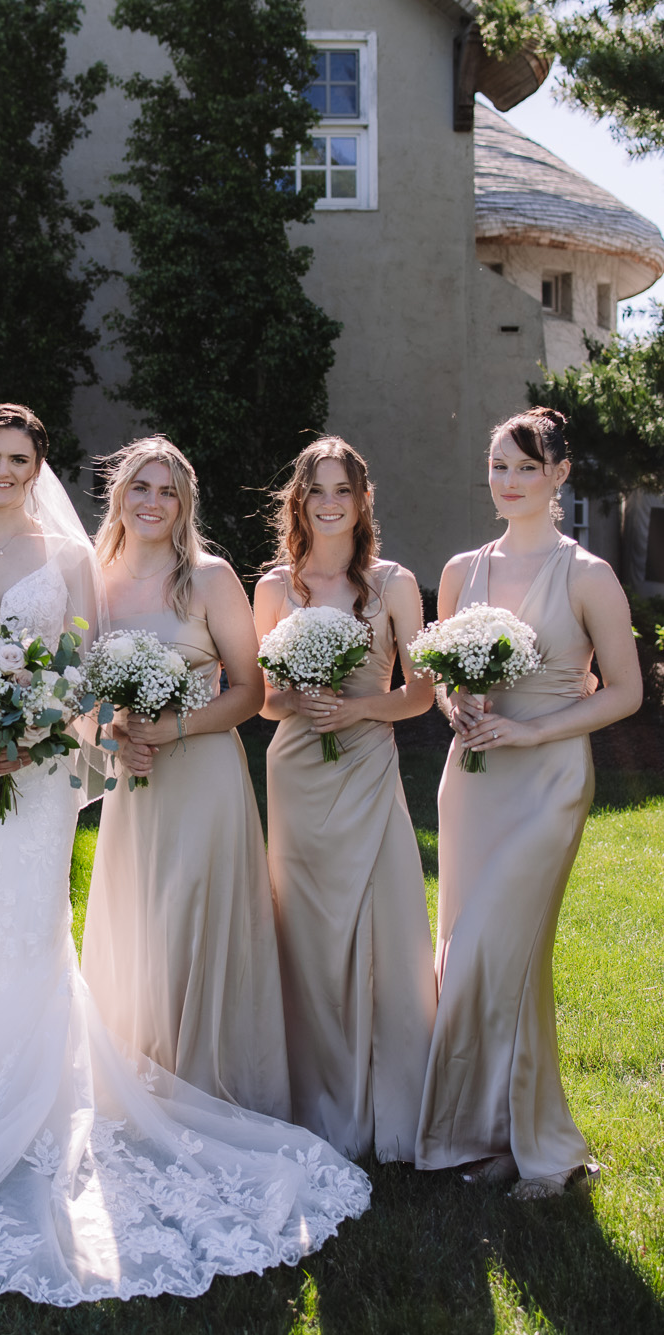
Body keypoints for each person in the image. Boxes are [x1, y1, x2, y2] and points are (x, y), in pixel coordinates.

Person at [0, 403, 371, 1306]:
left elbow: (78, 672)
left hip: (32, 775)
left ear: (37, 468)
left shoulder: (69, 560)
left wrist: (33, 732)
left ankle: (39, 1107)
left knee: (30, 930)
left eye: (18, 458)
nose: (2, 470)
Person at [415, 409, 641, 1198]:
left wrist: (531, 729)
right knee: (474, 960)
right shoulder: (458, 570)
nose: (507, 482)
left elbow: (625, 693)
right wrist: (459, 707)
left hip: (547, 783)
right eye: (497, 467)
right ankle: (492, 1137)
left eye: (524, 467)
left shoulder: (586, 575)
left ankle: (549, 1148)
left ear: (557, 475)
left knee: (497, 952)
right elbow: (443, 675)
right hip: (472, 779)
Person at [81, 436, 289, 1115]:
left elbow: (250, 691)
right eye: (140, 486)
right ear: (118, 493)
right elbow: (80, 693)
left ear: (185, 503)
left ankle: (202, 1084)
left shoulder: (207, 577)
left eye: (167, 490)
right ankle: (138, 1085)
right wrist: (116, 734)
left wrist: (171, 728)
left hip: (201, 775)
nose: (152, 502)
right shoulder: (90, 579)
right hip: (135, 786)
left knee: (189, 927)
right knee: (140, 927)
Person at [254, 438, 437, 1164]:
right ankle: (314, 1096)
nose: (328, 503)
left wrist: (358, 711)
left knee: (381, 921)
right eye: (315, 490)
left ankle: (392, 1107)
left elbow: (420, 694)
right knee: (307, 933)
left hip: (366, 765)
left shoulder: (392, 583)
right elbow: (262, 701)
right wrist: (297, 697)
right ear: (297, 502)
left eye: (342, 490)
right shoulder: (274, 587)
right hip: (297, 772)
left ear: (363, 500)